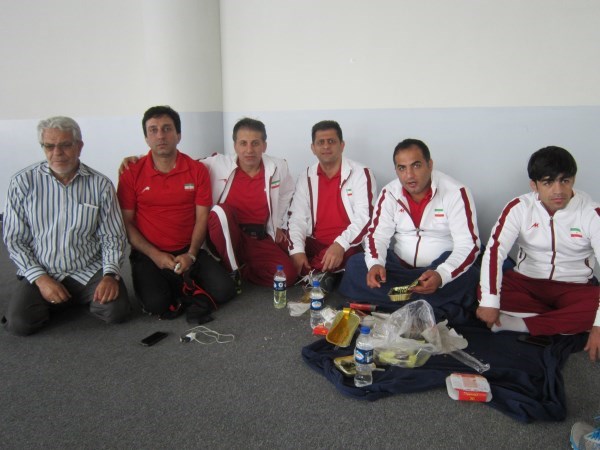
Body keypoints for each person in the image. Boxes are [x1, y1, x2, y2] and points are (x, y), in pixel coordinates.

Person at [2, 116, 130, 335]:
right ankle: (58, 297)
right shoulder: (22, 183)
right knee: (19, 324)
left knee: (116, 312)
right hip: (44, 269)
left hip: (88, 269)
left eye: (65, 145)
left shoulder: (100, 184)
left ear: (79, 146)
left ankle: (62, 301)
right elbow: (15, 240)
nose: (57, 153)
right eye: (49, 146)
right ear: (43, 147)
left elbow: (112, 237)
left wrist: (110, 275)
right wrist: (41, 279)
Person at [477, 146, 600, 361]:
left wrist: (598, 326)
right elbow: (495, 252)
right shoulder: (519, 207)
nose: (558, 190)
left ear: (573, 180)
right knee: (484, 292)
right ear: (534, 185)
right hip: (527, 282)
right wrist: (490, 302)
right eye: (548, 182)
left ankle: (518, 324)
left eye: (565, 181)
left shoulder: (591, 213)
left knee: (594, 310)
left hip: (575, 286)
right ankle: (563, 322)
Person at [339, 138, 480, 324]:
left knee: (469, 276)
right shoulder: (390, 192)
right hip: (399, 267)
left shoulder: (456, 192)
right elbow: (377, 235)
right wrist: (375, 263)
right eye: (402, 168)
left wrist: (442, 275)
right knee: (356, 265)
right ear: (396, 170)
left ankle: (389, 304)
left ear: (430, 164)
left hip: (438, 269)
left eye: (416, 165)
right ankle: (431, 308)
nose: (409, 175)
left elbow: (468, 245)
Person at [117, 106, 235, 322]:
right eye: (153, 130)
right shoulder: (131, 173)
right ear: (146, 138)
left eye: (167, 129)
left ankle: (182, 280)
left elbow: (202, 218)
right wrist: (155, 255)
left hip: (188, 249)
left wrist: (191, 254)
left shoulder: (196, 170)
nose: (160, 136)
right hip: (149, 253)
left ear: (178, 135)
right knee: (157, 305)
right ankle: (181, 284)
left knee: (226, 290)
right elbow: (127, 223)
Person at [203, 118, 296, 288]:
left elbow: (286, 193)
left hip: (259, 237)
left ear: (264, 146)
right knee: (220, 212)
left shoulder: (278, 166)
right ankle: (232, 270)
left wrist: (278, 224)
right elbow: (183, 164)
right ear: (235, 146)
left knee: (287, 277)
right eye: (243, 143)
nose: (249, 150)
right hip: (226, 234)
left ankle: (241, 270)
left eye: (255, 143)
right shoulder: (217, 164)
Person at [286, 120, 377, 290]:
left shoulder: (361, 173)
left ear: (342, 145)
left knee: (354, 256)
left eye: (331, 141)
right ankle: (324, 273)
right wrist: (297, 251)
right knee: (285, 251)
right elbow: (297, 217)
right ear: (313, 148)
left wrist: (340, 244)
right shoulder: (306, 176)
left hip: (347, 244)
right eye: (321, 142)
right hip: (316, 242)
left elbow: (366, 218)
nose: (326, 146)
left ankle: (314, 274)